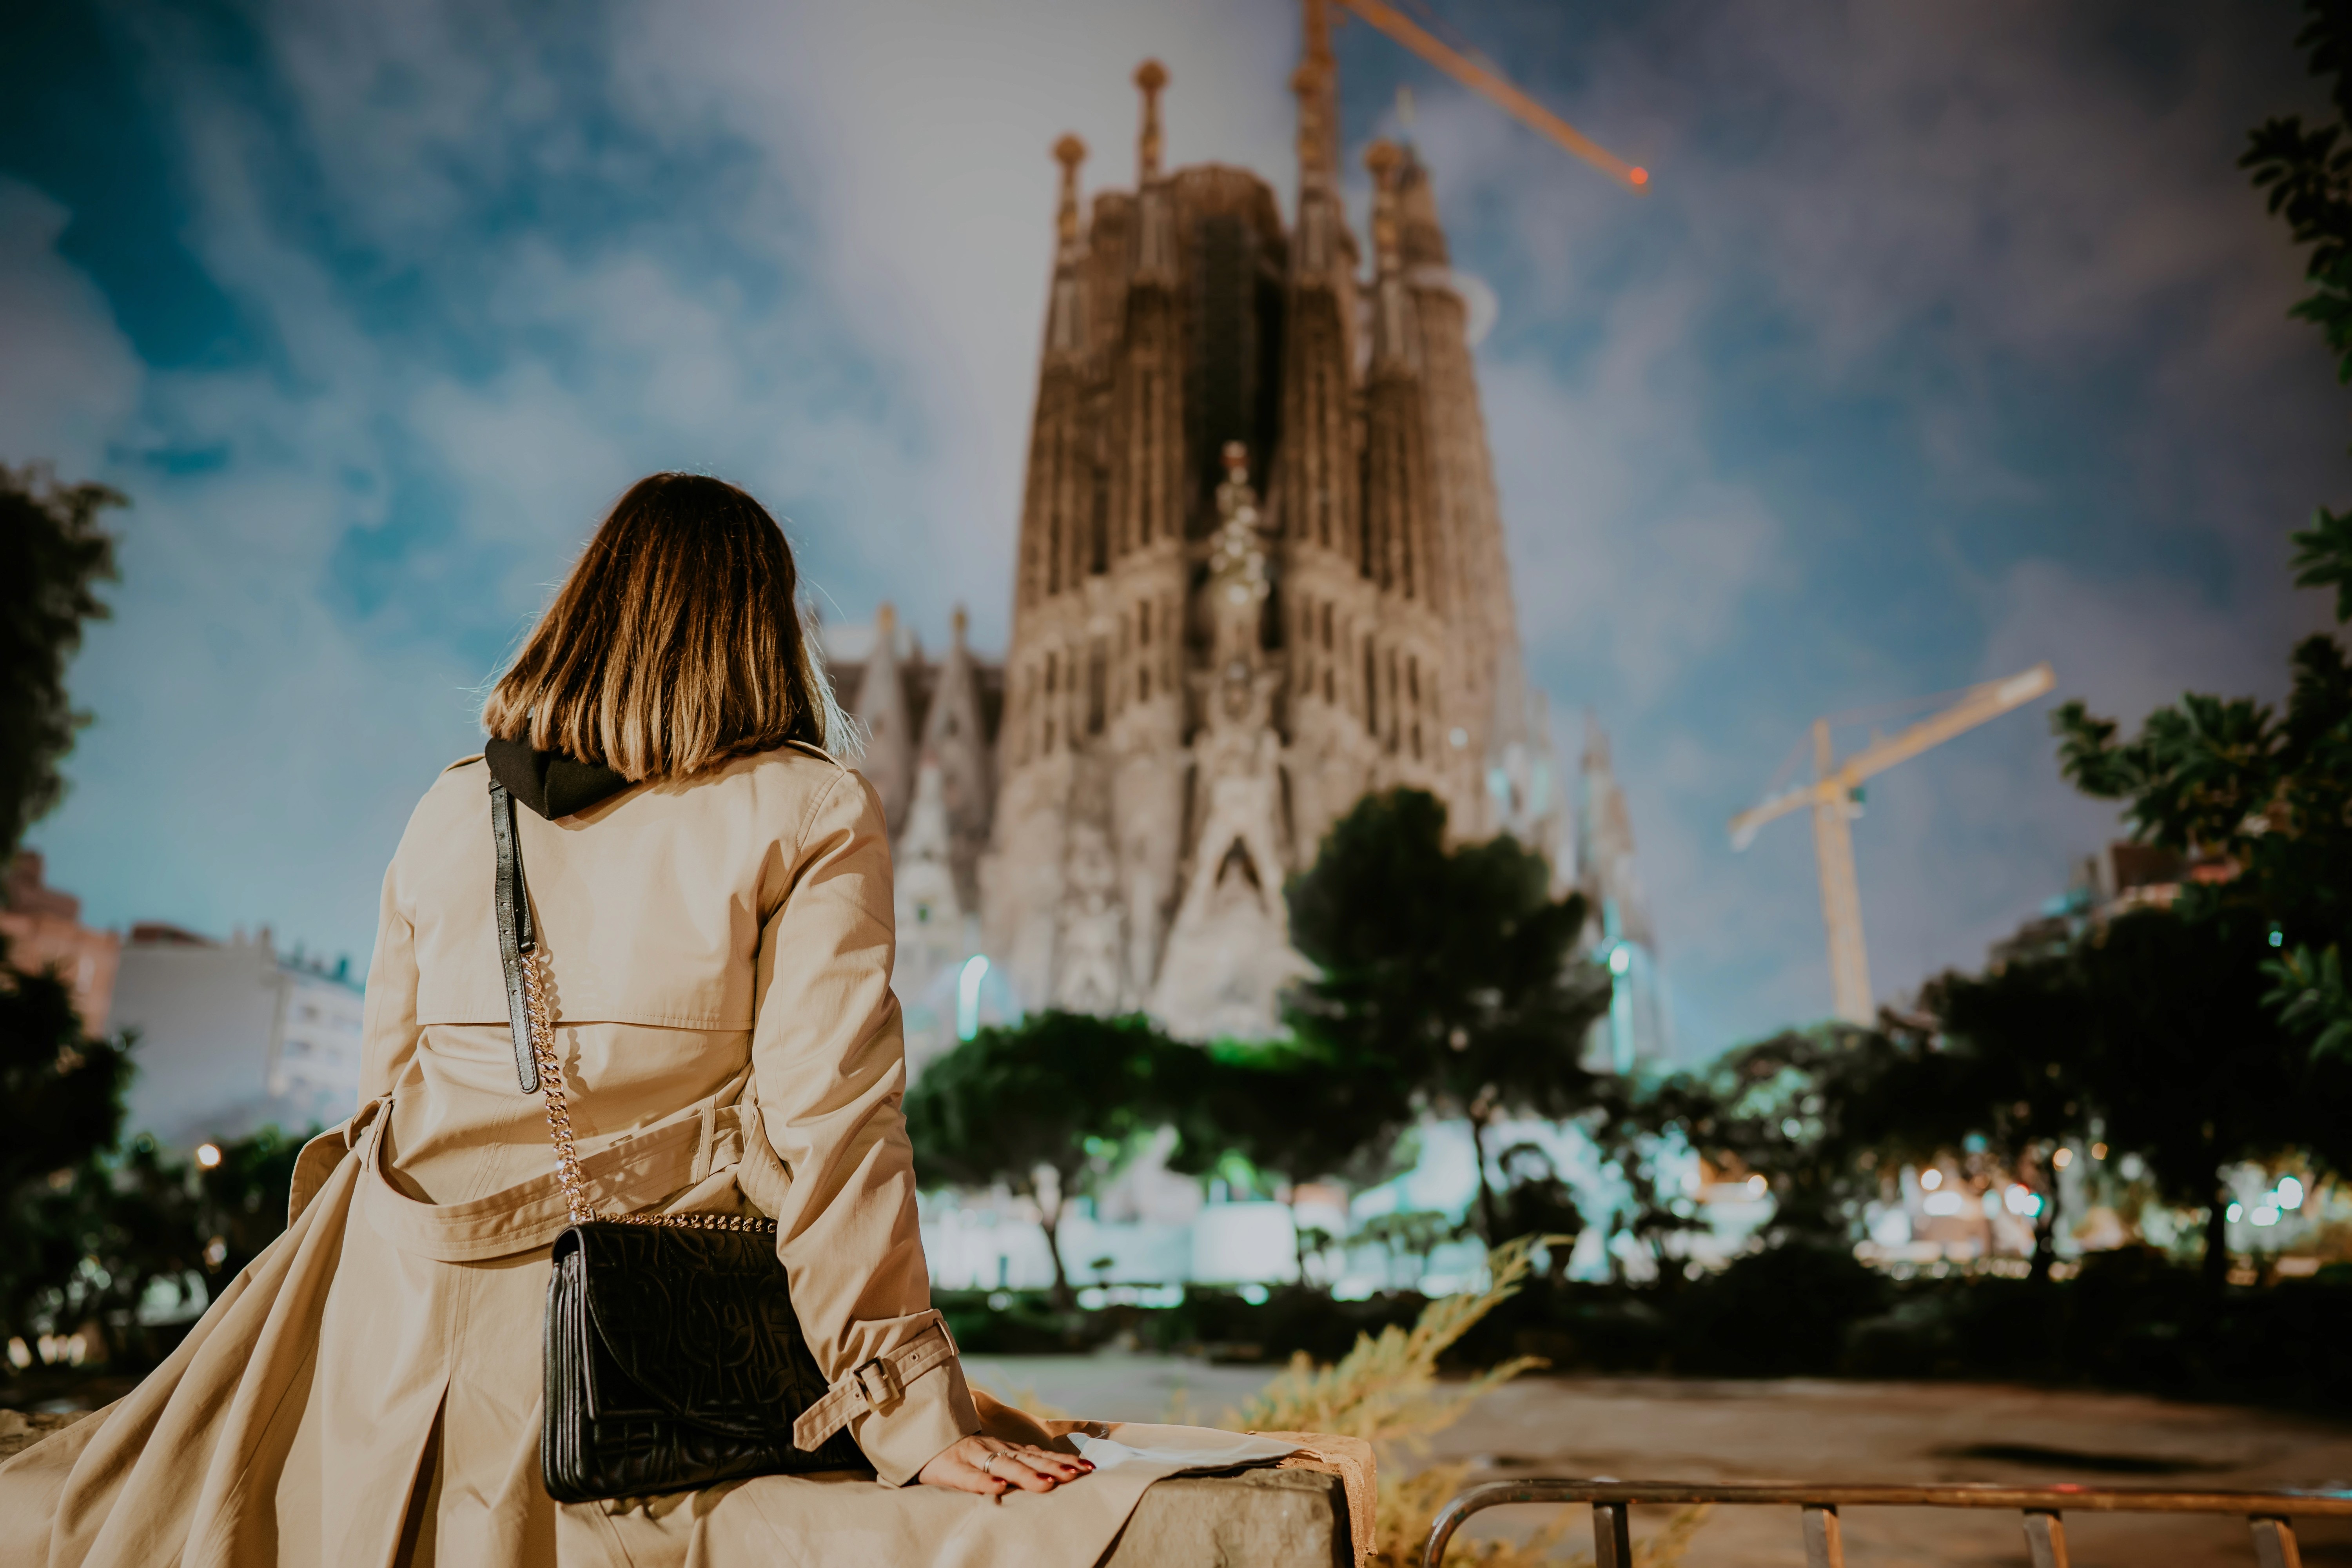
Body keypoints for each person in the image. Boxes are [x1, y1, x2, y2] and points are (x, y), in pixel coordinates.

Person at [0, 474, 1298, 1566]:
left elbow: (383, 1098)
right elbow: (834, 1127)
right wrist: (912, 1415)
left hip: (373, 1341)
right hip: (617, 1372)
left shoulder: (456, 808)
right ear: (764, 629)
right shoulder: (810, 808)